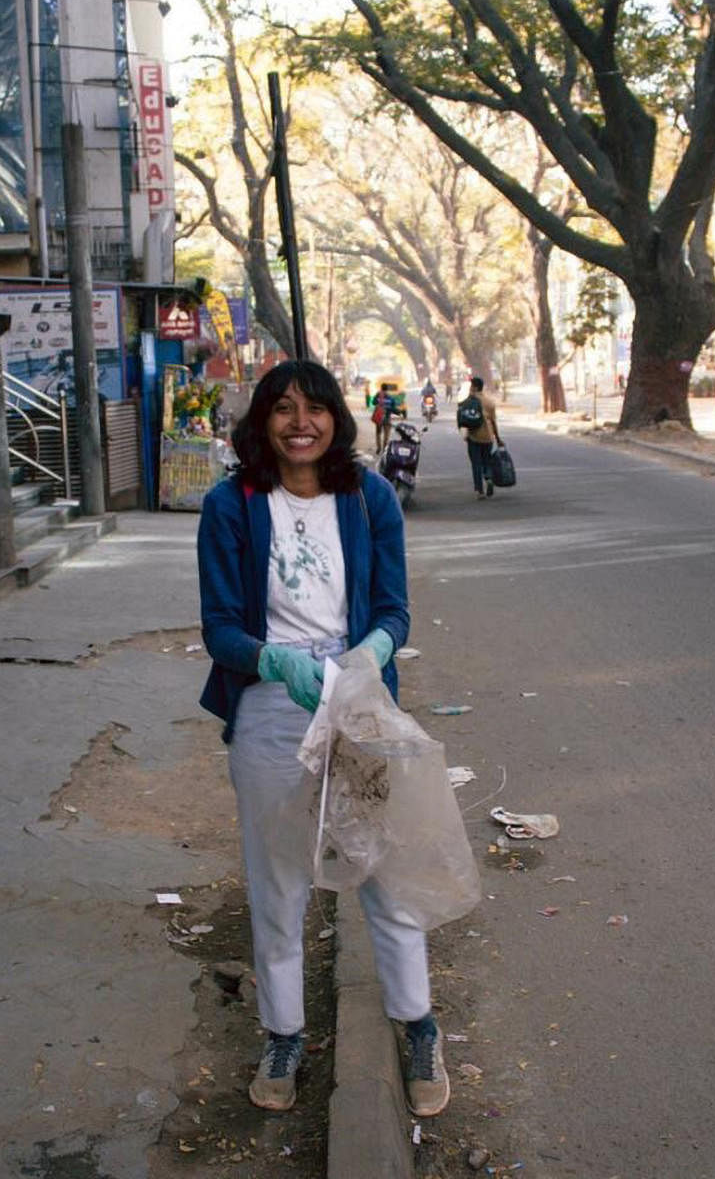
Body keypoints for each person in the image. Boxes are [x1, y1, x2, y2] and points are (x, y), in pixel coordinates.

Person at [197, 360, 450, 1118]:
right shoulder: (230, 504)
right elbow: (217, 628)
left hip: (357, 699)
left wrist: (369, 653)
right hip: (272, 708)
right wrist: (270, 660)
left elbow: (393, 609)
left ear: (337, 418)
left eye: (313, 408)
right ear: (261, 422)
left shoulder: (368, 497)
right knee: (279, 883)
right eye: (282, 409)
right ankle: (282, 1033)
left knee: (383, 873)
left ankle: (417, 1025)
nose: (298, 422)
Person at [458, 375, 503, 499]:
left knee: (476, 463)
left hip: (474, 436)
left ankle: (479, 491)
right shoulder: (489, 402)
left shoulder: (469, 400)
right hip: (488, 437)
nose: (470, 388)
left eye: (472, 386)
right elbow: (493, 422)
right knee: (486, 460)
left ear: (475, 387)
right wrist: (498, 439)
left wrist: (463, 432)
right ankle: (488, 478)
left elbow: (462, 416)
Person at [372, 382, 395, 453]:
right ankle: (384, 448)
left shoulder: (378, 395)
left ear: (381, 388)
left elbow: (373, 402)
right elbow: (393, 406)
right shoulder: (390, 397)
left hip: (379, 418)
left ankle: (378, 447)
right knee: (386, 434)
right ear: (387, 389)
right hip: (387, 418)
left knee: (378, 433)